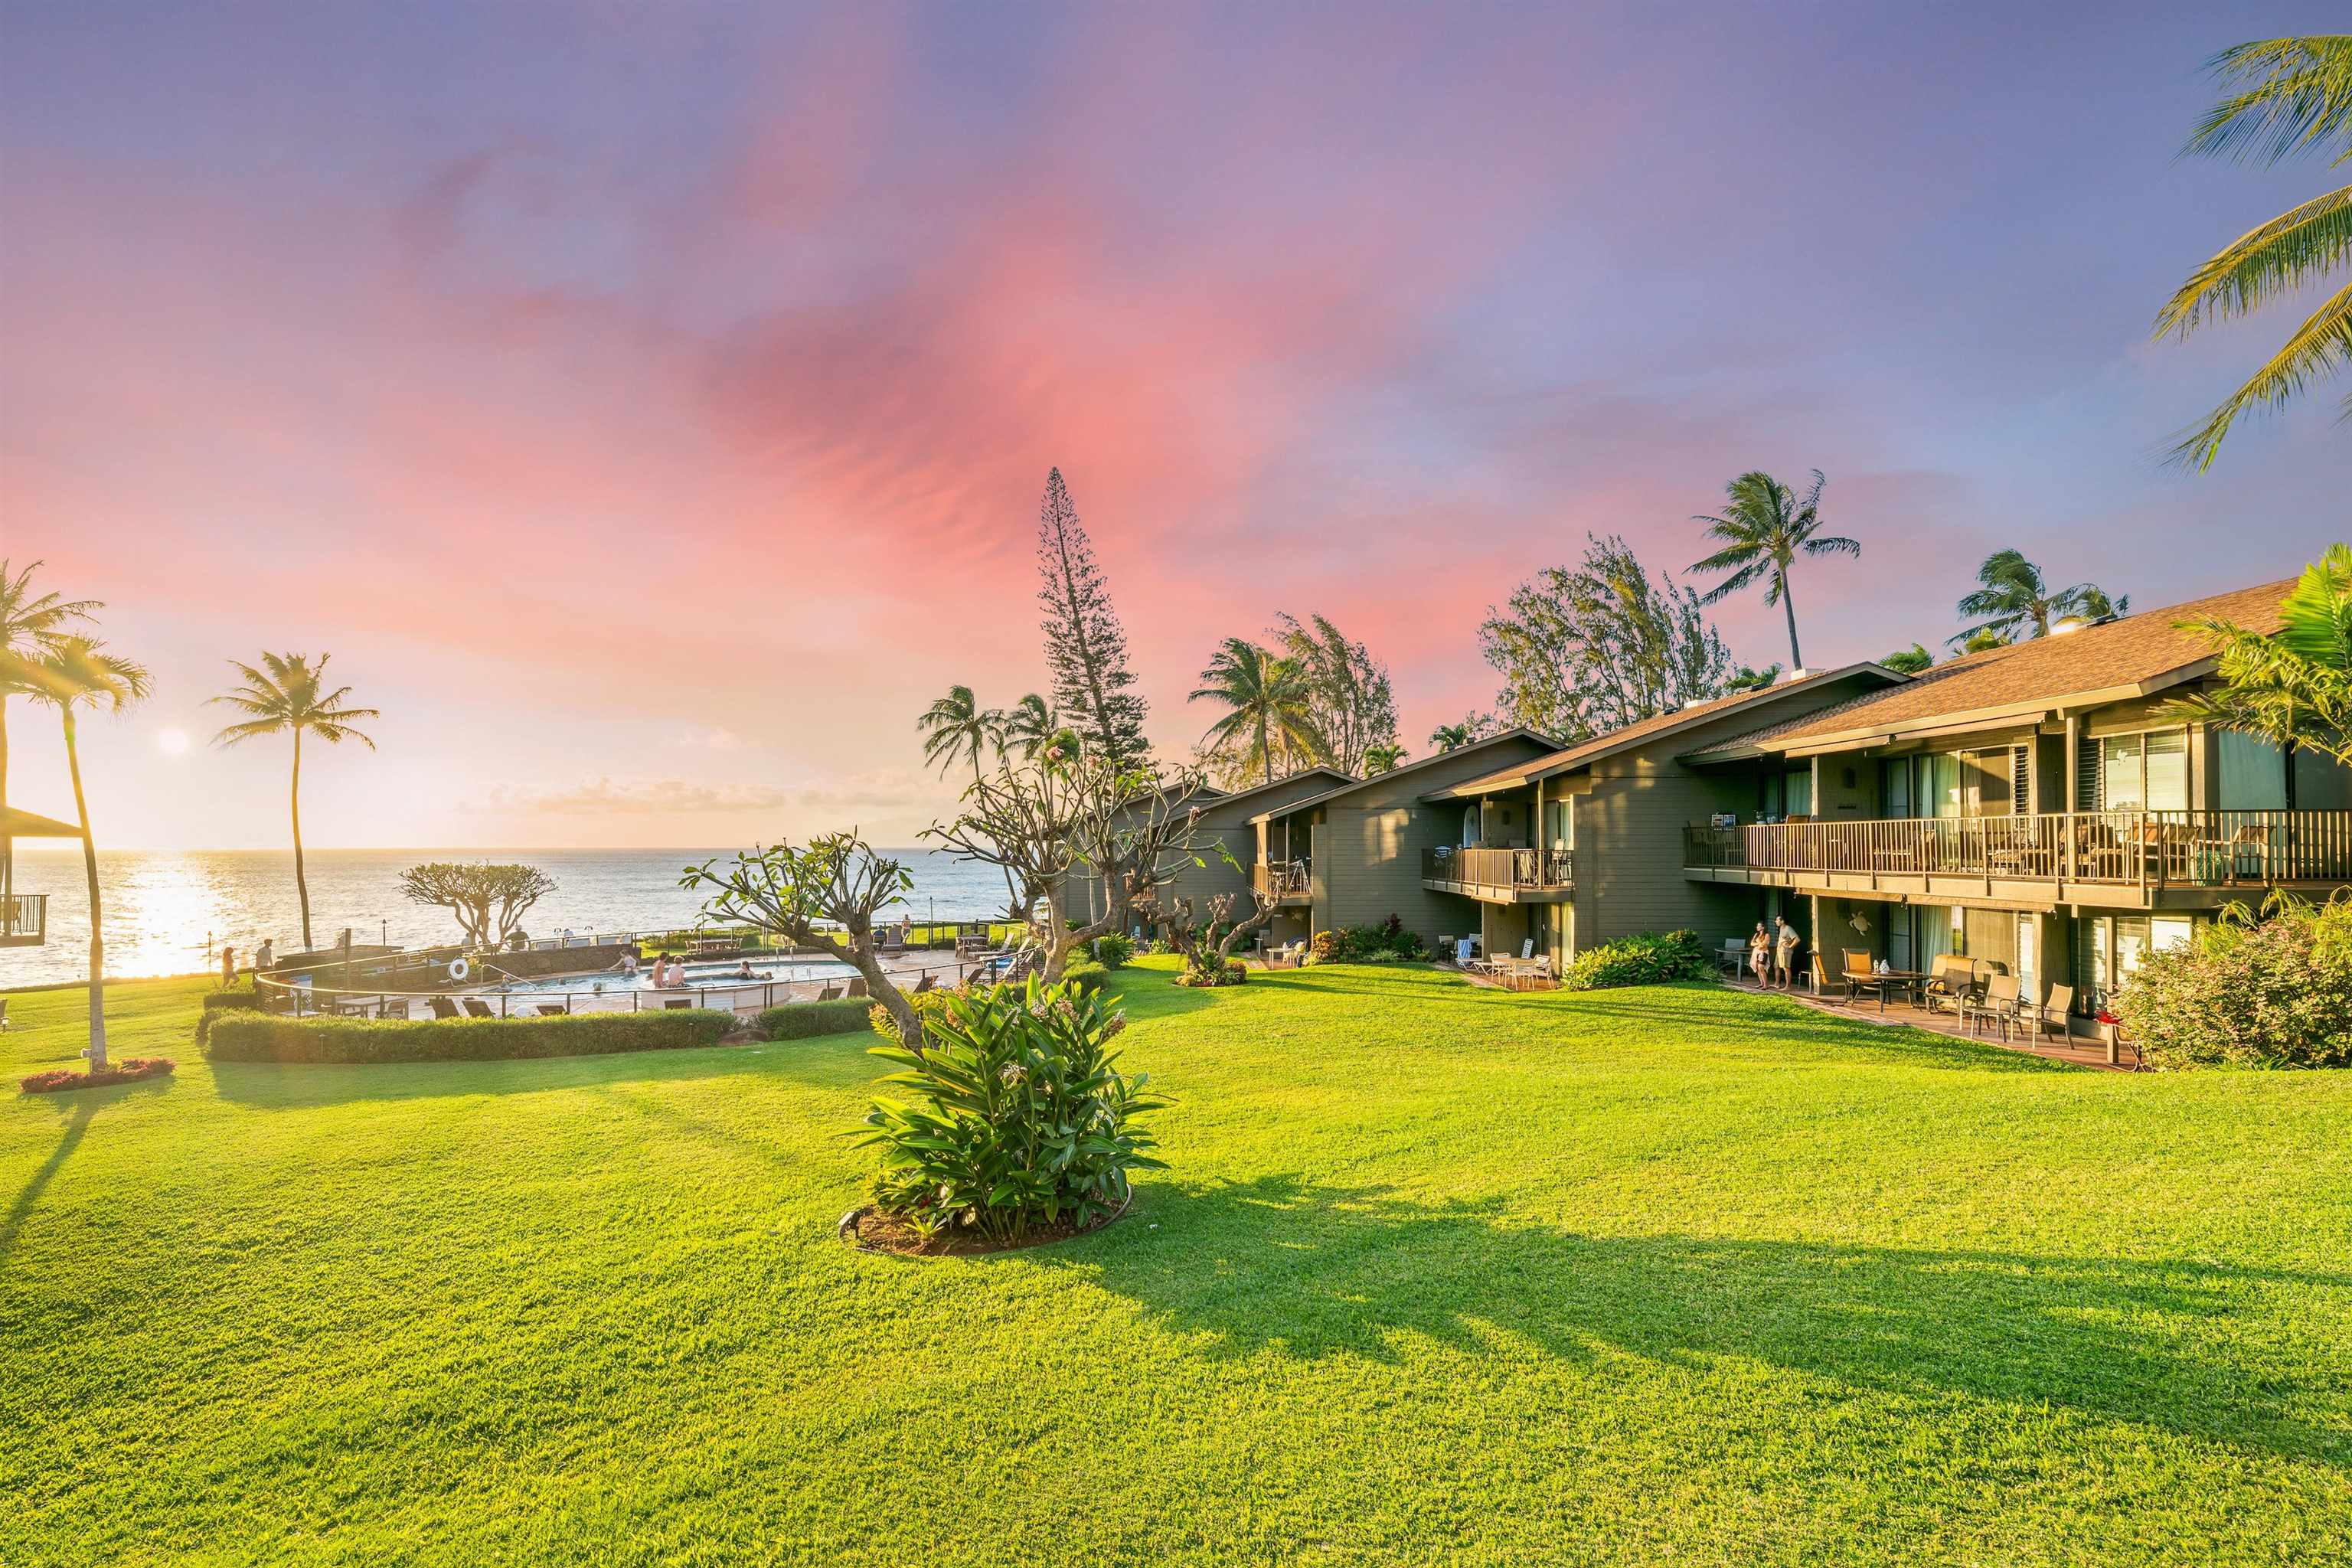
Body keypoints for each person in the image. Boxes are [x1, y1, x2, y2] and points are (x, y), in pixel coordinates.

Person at [1773, 916, 1800, 990]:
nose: (1776, 921)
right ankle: (1777, 984)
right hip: (1779, 951)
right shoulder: (1781, 929)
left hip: (1785, 951)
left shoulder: (1788, 928)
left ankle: (1788, 986)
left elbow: (1797, 939)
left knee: (1786, 968)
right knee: (1776, 966)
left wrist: (1790, 946)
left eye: (1777, 920)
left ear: (1782, 921)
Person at [1746, 923, 1769, 988]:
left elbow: (1763, 945)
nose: (1757, 927)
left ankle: (1766, 985)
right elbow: (1752, 943)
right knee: (1757, 967)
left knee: (1761, 967)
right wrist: (1758, 943)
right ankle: (1761, 983)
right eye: (1757, 926)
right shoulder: (1756, 934)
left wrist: (1757, 943)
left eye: (1759, 926)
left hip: (1763, 952)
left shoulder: (1766, 935)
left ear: (1763, 927)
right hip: (1756, 952)